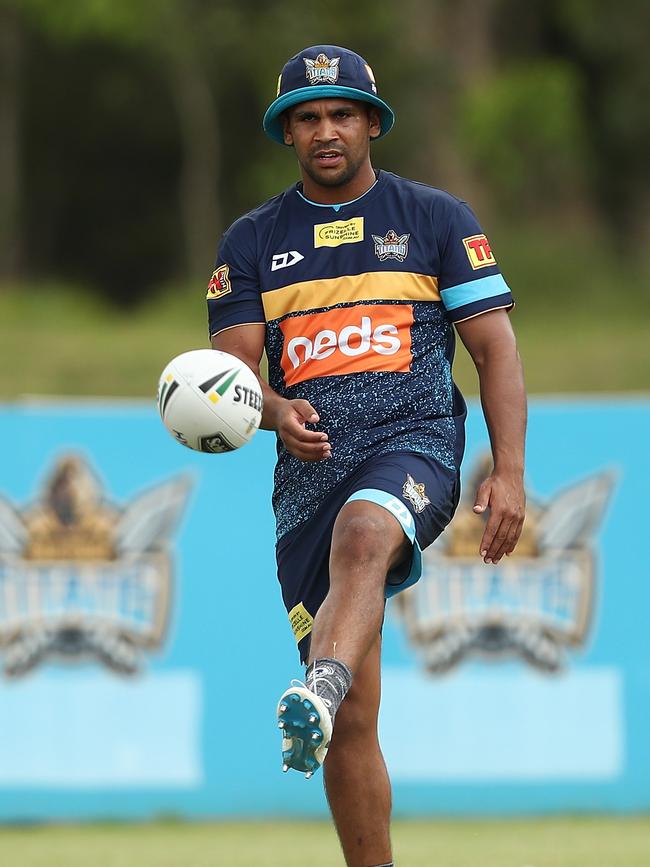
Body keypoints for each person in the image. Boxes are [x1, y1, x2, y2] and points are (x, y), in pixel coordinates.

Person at [207, 44, 526, 867]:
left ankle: (319, 678)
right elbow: (239, 377)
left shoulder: (436, 220)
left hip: (413, 447)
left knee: (362, 537)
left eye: (342, 113)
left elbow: (495, 350)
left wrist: (511, 469)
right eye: (308, 117)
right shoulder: (250, 242)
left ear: (372, 123)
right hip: (305, 483)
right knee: (350, 727)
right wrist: (276, 411)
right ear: (288, 133)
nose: (326, 129)